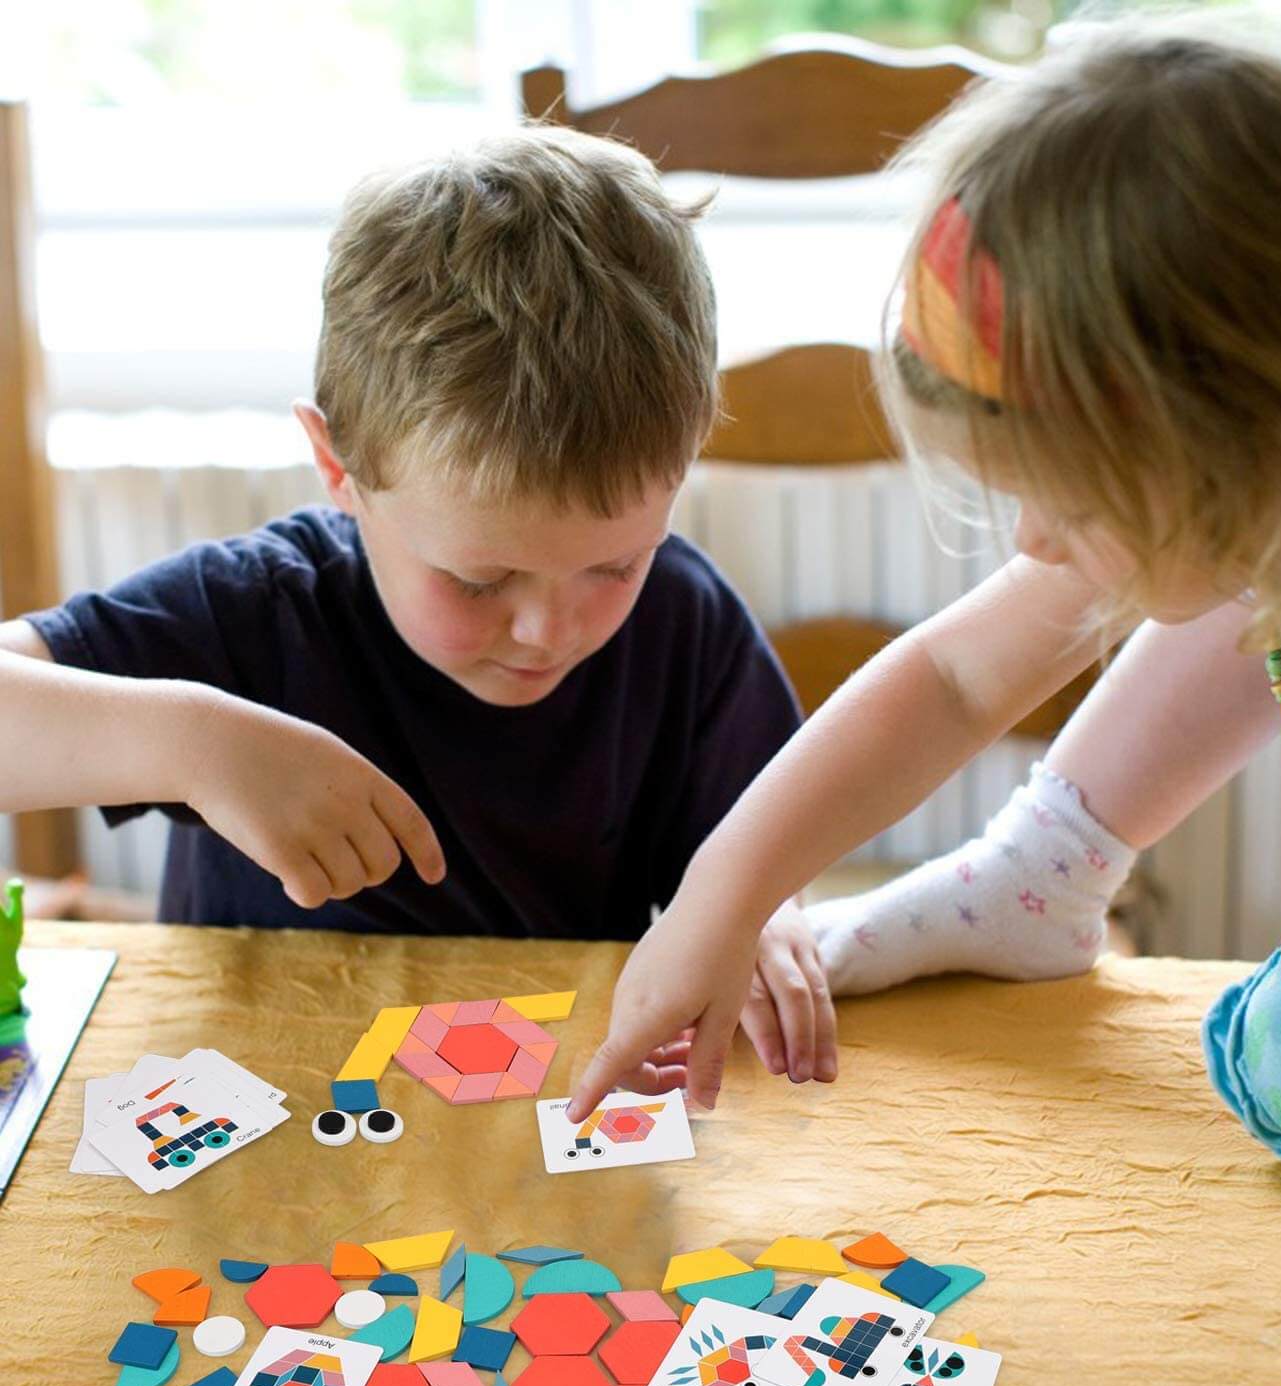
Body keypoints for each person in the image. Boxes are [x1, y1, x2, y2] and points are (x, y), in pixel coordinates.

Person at [569, 14, 1281, 1170]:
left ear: (1279, 432)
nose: (1034, 539)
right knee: (1249, 571)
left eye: (1074, 500)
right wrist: (724, 899)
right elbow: (957, 679)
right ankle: (1039, 869)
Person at [0, 127, 833, 1085]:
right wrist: (190, 743)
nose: (549, 629)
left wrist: (767, 915)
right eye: (480, 581)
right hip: (277, 1132)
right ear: (337, 469)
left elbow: (761, 852)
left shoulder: (688, 624)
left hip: (539, 1145)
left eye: (614, 566)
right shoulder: (251, 613)